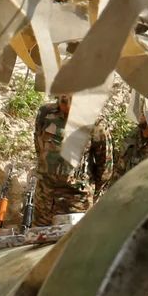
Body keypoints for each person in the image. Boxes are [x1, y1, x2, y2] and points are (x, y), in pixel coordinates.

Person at [31, 95, 103, 227]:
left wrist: (90, 191)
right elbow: (39, 148)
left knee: (73, 245)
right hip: (45, 201)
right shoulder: (45, 113)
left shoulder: (94, 121)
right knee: (39, 244)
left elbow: (104, 165)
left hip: (76, 202)